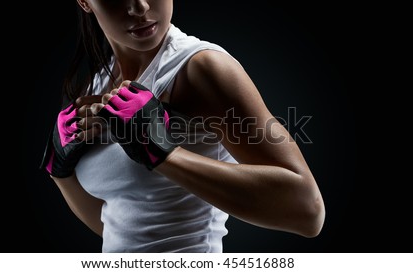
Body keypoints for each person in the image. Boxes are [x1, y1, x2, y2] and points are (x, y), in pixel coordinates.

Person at [41, 0, 325, 253]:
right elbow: (120, 228)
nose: (140, 7)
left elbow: (307, 211)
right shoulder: (101, 82)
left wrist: (163, 152)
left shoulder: (202, 68)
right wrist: (61, 172)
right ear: (84, 2)